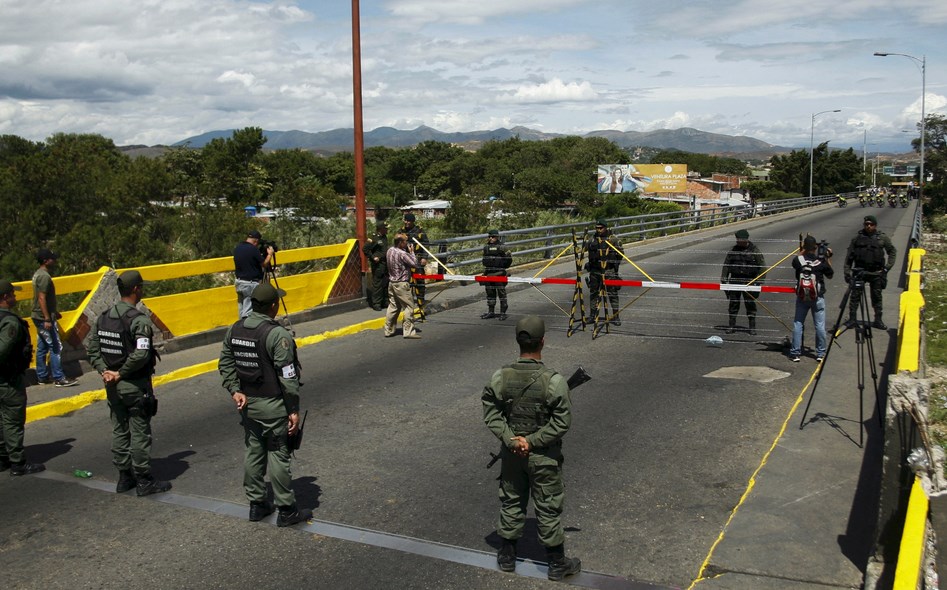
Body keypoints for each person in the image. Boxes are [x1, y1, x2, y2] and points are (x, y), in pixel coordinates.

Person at [481, 315, 581, 581]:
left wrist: (512, 439)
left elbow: (491, 411)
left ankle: (506, 556)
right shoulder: (554, 381)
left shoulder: (501, 376)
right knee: (548, 505)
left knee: (512, 500)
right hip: (544, 456)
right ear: (543, 342)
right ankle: (557, 563)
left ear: (518, 341)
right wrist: (533, 441)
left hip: (512, 454)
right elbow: (562, 422)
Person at [219, 282, 310, 527]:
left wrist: (234, 390)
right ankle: (286, 509)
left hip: (248, 404)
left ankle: (256, 505)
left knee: (253, 451)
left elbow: (225, 363)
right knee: (279, 453)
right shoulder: (277, 335)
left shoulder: (236, 329)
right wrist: (293, 410)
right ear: (273, 305)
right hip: (273, 405)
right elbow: (288, 378)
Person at [87, 270, 171, 495]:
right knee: (140, 430)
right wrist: (120, 373)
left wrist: (104, 370)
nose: (142, 290)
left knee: (119, 429)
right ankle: (143, 479)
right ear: (135, 289)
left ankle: (124, 477)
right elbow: (141, 355)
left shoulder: (103, 317)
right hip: (133, 384)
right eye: (141, 287)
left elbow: (92, 348)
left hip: (112, 385)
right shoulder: (138, 320)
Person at [0, 279, 45, 476]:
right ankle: (17, 462)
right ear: (4, 297)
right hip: (8, 379)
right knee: (13, 420)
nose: (15, 297)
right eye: (12, 294)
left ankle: (3, 457)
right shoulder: (9, 321)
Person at [31, 248, 77, 387]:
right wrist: (47, 318)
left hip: (37, 315)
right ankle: (59, 377)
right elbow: (41, 297)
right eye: (52, 259)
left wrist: (53, 312)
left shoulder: (37, 274)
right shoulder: (45, 277)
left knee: (42, 347)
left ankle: (42, 376)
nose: (54, 261)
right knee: (56, 346)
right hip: (43, 318)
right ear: (46, 261)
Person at [844, 215, 897, 329]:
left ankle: (878, 320)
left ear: (875, 225)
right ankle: (852, 319)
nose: (868, 226)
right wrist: (847, 272)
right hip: (859, 272)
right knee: (855, 297)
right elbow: (849, 257)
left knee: (877, 297)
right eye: (866, 224)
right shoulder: (857, 238)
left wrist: (887, 268)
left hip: (876, 273)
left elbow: (892, 252)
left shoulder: (882, 238)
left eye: (871, 224)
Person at [790, 237, 834, 362]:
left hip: (802, 297)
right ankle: (820, 353)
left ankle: (795, 352)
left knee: (798, 323)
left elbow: (796, 261)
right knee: (819, 325)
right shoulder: (820, 262)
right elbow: (830, 275)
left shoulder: (798, 260)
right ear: (815, 248)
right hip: (817, 297)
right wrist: (828, 257)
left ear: (804, 248)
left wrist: (802, 251)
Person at [721, 229, 765, 335]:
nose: (738, 241)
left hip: (749, 281)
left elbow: (762, 267)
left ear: (745, 240)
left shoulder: (755, 251)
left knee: (750, 304)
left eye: (739, 239)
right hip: (735, 280)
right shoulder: (733, 251)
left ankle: (752, 326)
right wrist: (724, 278)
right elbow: (726, 265)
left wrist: (758, 281)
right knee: (733, 303)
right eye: (737, 239)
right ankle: (731, 326)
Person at [584, 220, 624, 325]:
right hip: (595, 271)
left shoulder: (613, 240)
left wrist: (614, 267)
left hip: (608, 271)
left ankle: (616, 317)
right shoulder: (592, 239)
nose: (598, 230)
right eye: (597, 228)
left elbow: (620, 254)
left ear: (605, 227)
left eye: (601, 228)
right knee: (594, 294)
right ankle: (592, 316)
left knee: (612, 294)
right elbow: (585, 250)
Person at [383, 233, 421, 339]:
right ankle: (408, 331)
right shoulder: (402, 254)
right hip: (402, 284)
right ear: (400, 242)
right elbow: (414, 263)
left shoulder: (390, 250)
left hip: (392, 283)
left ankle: (388, 330)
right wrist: (412, 252)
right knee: (409, 307)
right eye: (405, 241)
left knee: (393, 306)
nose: (406, 243)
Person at [233, 230, 275, 319]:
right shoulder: (253, 249)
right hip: (250, 284)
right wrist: (270, 255)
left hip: (239, 282)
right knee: (248, 312)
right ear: (256, 241)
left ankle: (240, 329)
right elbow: (264, 263)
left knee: (241, 310)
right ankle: (247, 330)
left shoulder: (238, 247)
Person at [400, 213, 429, 321]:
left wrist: (424, 257)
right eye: (405, 220)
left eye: (409, 221)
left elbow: (426, 244)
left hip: (417, 262)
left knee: (420, 286)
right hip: (405, 263)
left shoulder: (419, 231)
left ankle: (422, 310)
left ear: (413, 222)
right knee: (406, 287)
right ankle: (408, 313)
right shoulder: (401, 231)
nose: (406, 223)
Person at [481, 229, 513, 320]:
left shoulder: (502, 247)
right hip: (489, 273)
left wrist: (503, 268)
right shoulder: (486, 247)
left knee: (501, 293)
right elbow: (484, 259)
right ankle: (491, 311)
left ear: (497, 237)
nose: (491, 238)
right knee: (490, 293)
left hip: (499, 273)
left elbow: (509, 259)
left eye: (493, 237)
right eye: (490, 236)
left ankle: (503, 312)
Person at [362, 221, 390, 311]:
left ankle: (385, 301)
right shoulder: (374, 238)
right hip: (378, 265)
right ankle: (376, 303)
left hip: (385, 263)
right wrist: (373, 257)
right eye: (385, 228)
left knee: (385, 283)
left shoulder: (384, 237)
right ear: (381, 229)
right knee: (377, 284)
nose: (387, 229)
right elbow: (365, 249)